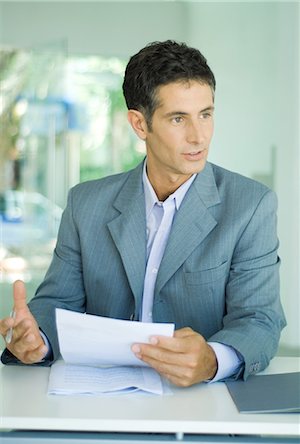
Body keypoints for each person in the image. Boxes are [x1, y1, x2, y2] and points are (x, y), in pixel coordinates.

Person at [0, 40, 286, 386]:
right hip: (97, 397)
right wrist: (37, 340)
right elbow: (58, 302)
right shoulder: (85, 203)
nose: (199, 136)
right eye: (178, 118)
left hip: (200, 403)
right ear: (139, 124)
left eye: (206, 115)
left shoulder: (250, 205)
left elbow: (259, 320)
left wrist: (213, 359)